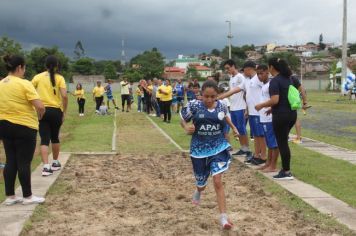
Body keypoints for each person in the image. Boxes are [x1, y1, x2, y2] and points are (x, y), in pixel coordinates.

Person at [180, 80, 238, 230]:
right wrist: (186, 127)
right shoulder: (194, 105)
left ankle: (223, 218)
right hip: (199, 149)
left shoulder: (222, 106)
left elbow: (225, 118)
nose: (209, 99)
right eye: (206, 96)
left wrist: (232, 131)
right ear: (201, 94)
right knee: (202, 183)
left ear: (217, 95)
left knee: (217, 180)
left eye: (213, 96)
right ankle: (198, 190)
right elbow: (182, 118)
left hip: (218, 147)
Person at [0, 55, 46, 205]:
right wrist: (40, 115)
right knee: (24, 162)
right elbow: (39, 105)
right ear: (20, 67)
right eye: (24, 67)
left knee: (10, 160)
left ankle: (10, 196)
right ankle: (27, 196)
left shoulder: (1, 83)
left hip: (4, 126)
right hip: (24, 126)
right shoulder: (24, 83)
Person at [255, 58, 304, 180]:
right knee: (283, 142)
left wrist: (261, 105)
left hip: (281, 116)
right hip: (291, 114)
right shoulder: (289, 79)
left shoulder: (275, 81)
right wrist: (271, 109)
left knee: (282, 143)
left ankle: (286, 171)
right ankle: (285, 169)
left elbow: (275, 100)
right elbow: (285, 98)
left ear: (271, 67)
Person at [32, 55, 68, 177]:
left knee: (44, 139)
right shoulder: (60, 78)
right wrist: (64, 111)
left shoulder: (37, 77)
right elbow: (64, 96)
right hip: (56, 111)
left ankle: (46, 167)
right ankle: (55, 162)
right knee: (55, 137)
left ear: (45, 65)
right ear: (57, 65)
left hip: (42, 111)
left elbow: (29, 92)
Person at [219, 60, 252, 159]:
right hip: (233, 107)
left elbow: (246, 92)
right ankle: (243, 148)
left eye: (228, 68)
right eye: (226, 69)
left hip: (240, 107)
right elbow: (231, 92)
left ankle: (247, 149)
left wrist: (246, 108)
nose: (227, 70)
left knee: (241, 128)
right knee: (237, 129)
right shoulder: (231, 78)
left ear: (233, 66)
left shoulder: (240, 77)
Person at [255, 65, 279, 172]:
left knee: (274, 143)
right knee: (269, 143)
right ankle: (268, 163)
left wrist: (266, 107)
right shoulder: (264, 85)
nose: (260, 76)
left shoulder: (271, 84)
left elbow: (275, 100)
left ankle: (273, 166)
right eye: (258, 74)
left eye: (261, 73)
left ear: (267, 72)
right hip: (263, 117)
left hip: (270, 118)